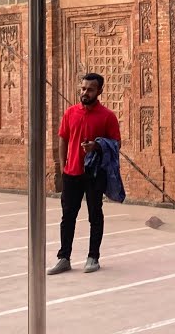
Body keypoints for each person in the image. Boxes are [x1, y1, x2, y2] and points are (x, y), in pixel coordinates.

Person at [48, 73, 121, 275]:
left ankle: (93, 256)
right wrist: (64, 166)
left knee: (95, 215)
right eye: (83, 89)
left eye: (89, 89)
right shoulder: (71, 113)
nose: (85, 93)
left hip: (95, 174)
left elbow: (116, 144)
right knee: (68, 216)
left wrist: (96, 146)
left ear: (99, 91)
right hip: (72, 173)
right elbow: (63, 138)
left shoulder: (107, 116)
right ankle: (64, 257)